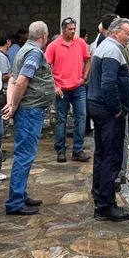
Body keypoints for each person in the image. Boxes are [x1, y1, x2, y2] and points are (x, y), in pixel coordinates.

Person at [3, 21, 57, 215]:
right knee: (25, 155)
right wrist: (15, 104)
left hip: (28, 109)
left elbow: (14, 80)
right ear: (44, 35)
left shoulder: (24, 50)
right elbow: (23, 80)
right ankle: (15, 202)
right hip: (30, 109)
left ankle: (21, 193)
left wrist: (11, 103)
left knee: (25, 154)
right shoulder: (34, 53)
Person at [87, 16, 129, 221]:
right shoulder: (112, 50)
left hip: (99, 107)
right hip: (108, 111)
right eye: (127, 32)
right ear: (117, 32)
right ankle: (106, 205)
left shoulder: (106, 46)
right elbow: (108, 84)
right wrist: (117, 110)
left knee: (102, 153)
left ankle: (99, 194)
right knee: (111, 155)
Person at [45, 16, 92, 163]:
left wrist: (84, 78)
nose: (73, 31)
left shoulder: (81, 43)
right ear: (63, 29)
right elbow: (46, 68)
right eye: (70, 29)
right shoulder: (53, 45)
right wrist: (54, 86)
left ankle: (78, 150)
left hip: (78, 86)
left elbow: (88, 59)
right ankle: (61, 150)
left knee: (81, 117)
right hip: (61, 88)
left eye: (74, 29)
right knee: (61, 120)